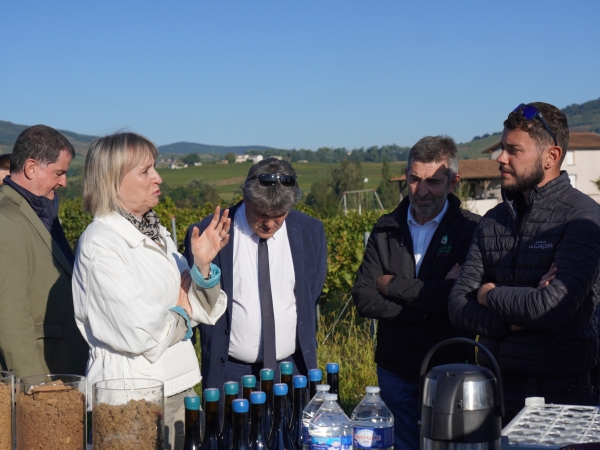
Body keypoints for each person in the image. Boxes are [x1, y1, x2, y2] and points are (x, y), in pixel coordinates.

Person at [72, 132, 229, 450]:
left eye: (154, 167)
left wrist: (201, 269)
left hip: (180, 383)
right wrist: (185, 309)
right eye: (145, 171)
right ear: (112, 181)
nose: (158, 177)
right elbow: (142, 332)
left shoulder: (157, 234)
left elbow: (208, 308)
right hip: (131, 397)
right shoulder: (100, 243)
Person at [449, 102, 600, 423]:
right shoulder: (492, 221)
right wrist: (518, 319)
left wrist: (489, 295)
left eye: (514, 150)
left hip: (560, 397)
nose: (501, 158)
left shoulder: (581, 218)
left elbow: (553, 308)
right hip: (494, 392)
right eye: (502, 148)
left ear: (551, 156)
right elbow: (458, 305)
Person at [352, 135, 480, 450]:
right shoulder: (386, 228)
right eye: (414, 179)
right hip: (394, 369)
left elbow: (460, 298)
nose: (421, 191)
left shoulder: (472, 230)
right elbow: (365, 297)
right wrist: (428, 305)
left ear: (454, 182)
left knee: (449, 446)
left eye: (433, 182)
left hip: (450, 371)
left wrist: (391, 285)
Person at [183, 157, 327, 391]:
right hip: (230, 374)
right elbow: (195, 305)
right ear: (245, 196)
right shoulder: (209, 232)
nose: (270, 224)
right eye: (262, 214)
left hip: (293, 371)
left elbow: (312, 294)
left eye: (279, 214)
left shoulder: (310, 231)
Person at [0, 125, 88, 376]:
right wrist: (35, 386)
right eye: (59, 172)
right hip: (42, 372)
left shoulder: (40, 209)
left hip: (63, 365)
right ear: (30, 168)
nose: (63, 181)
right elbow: (10, 315)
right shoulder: (5, 219)